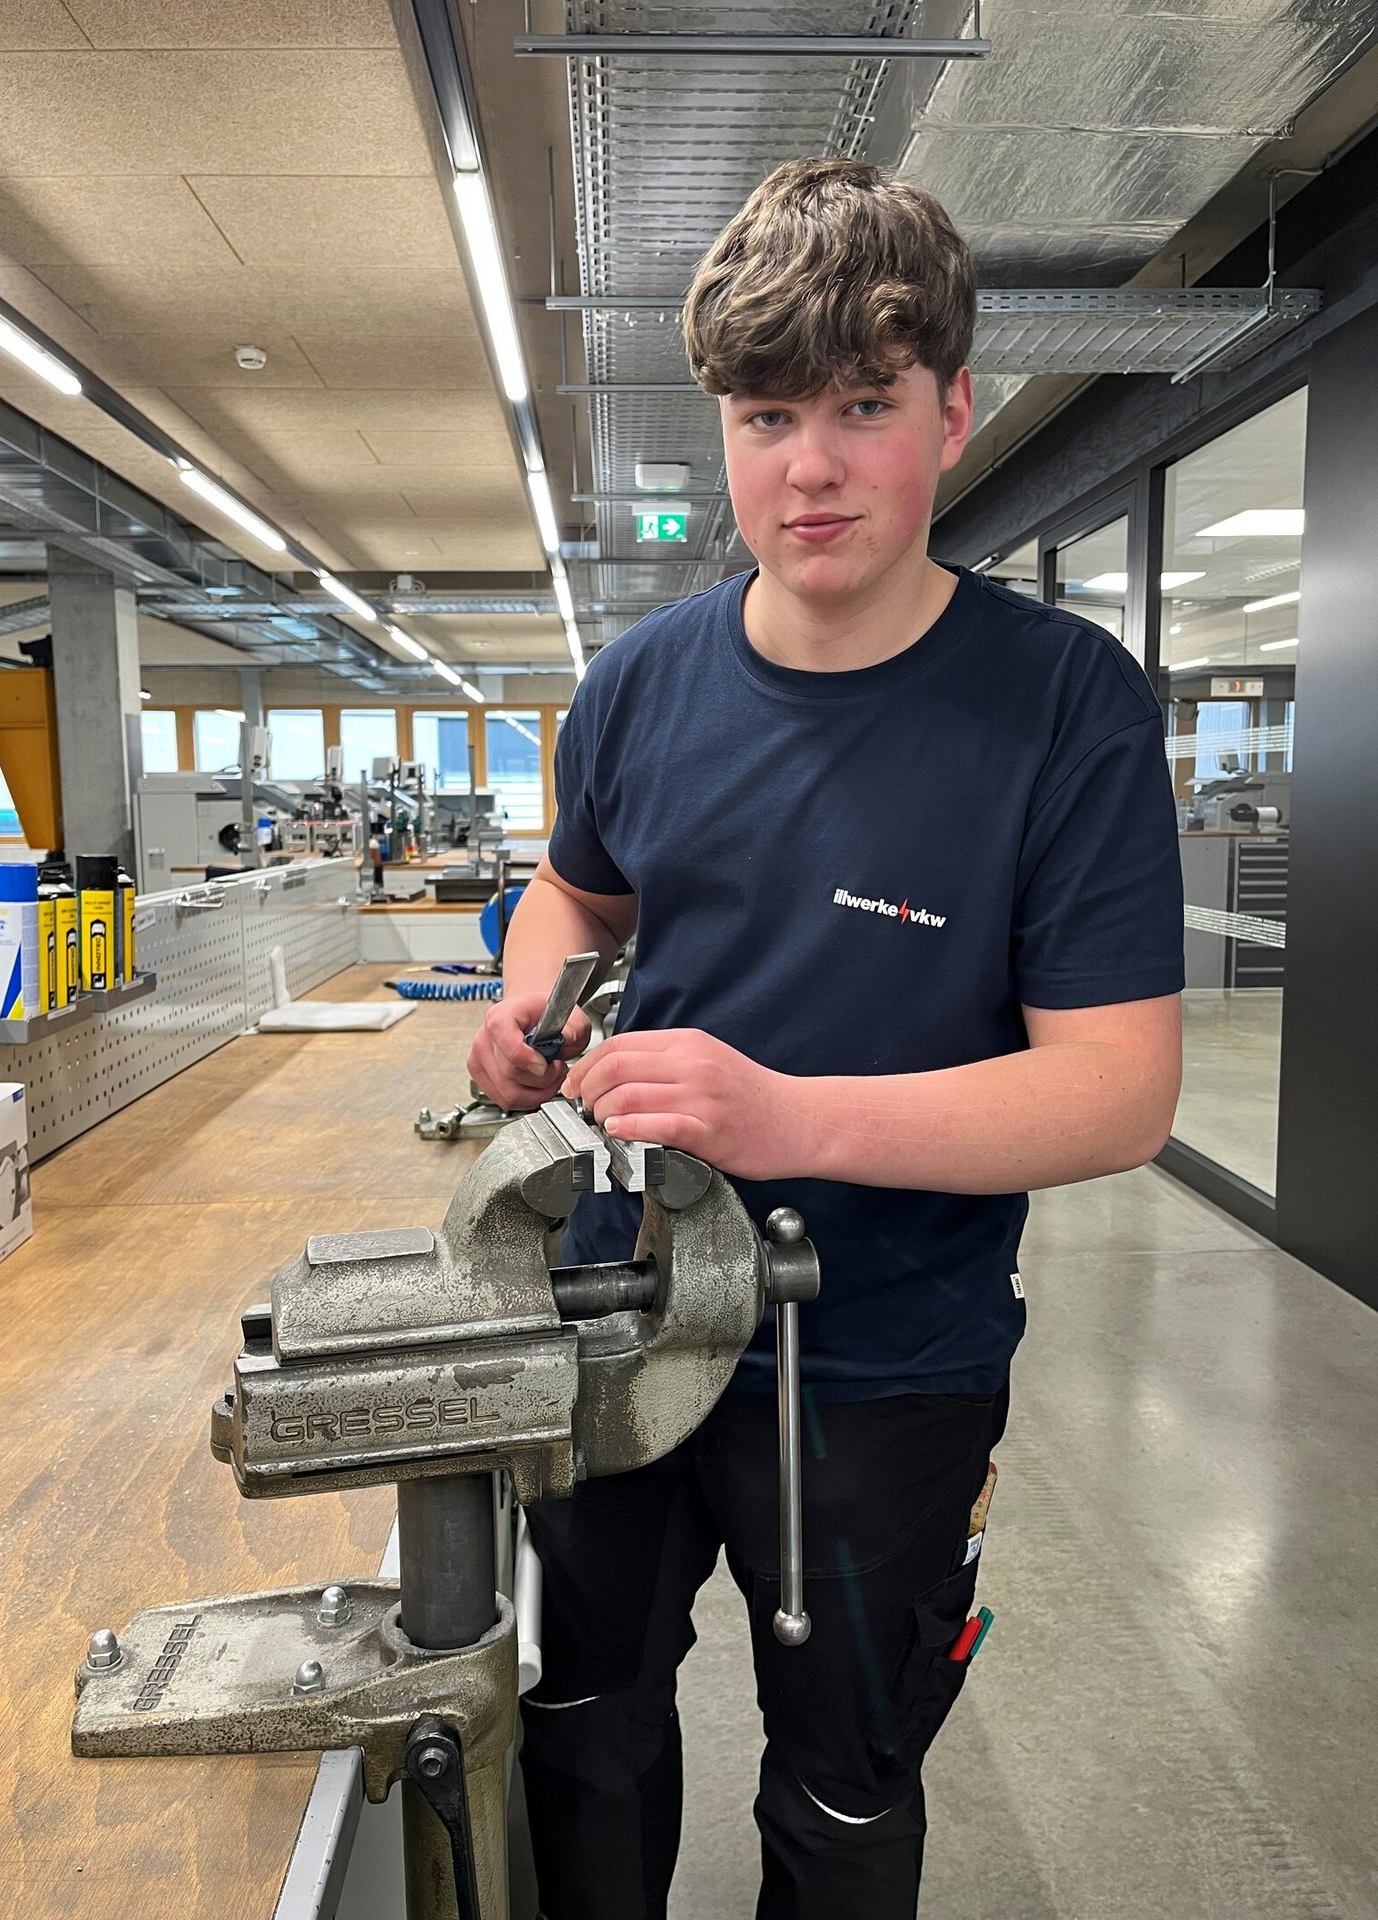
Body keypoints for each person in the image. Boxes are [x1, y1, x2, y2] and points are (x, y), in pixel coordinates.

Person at [467, 156, 1184, 1920]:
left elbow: (1117, 1094)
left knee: (846, 1782)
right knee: (582, 1731)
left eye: (863, 406)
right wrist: (533, 1004)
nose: (809, 466)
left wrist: (787, 1113)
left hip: (887, 1358)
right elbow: (580, 898)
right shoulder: (643, 682)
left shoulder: (1062, 706)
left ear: (952, 408)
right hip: (624, 1314)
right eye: (767, 413)